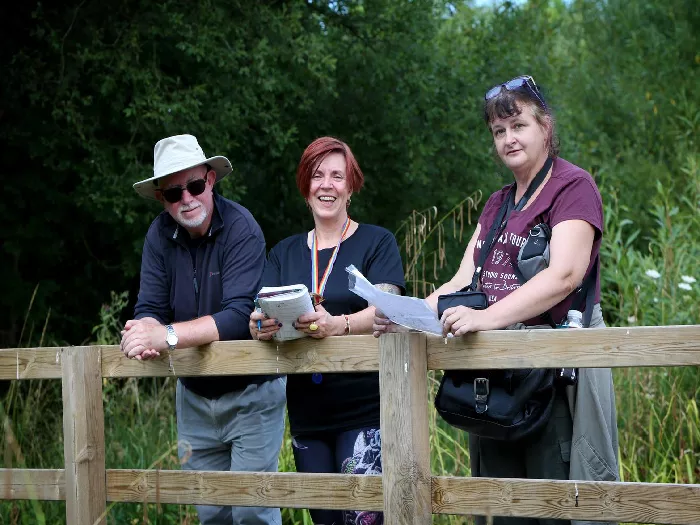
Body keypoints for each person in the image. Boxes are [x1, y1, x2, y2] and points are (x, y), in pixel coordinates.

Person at [373, 76, 619, 525]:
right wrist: (403, 314)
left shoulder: (572, 187)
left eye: (518, 125)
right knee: (501, 507)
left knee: (557, 506)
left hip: (553, 378)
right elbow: (463, 279)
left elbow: (563, 276)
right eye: (498, 131)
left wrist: (484, 318)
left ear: (545, 126)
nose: (508, 139)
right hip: (496, 381)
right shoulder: (497, 203)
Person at [121, 134, 286, 525]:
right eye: (175, 193)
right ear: (162, 198)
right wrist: (140, 333)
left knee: (252, 511)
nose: (187, 199)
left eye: (195, 186)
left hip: (251, 391)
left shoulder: (242, 228)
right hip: (193, 394)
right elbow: (150, 308)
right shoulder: (158, 235)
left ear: (211, 180)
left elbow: (237, 317)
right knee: (210, 511)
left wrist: (167, 336)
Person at [250, 136, 405, 525]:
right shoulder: (284, 252)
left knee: (363, 520)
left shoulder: (376, 241)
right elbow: (259, 309)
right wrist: (259, 325)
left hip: (364, 407)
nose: (327, 185)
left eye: (337, 176)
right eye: (317, 176)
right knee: (324, 519)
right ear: (306, 187)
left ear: (350, 187)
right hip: (307, 411)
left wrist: (342, 325)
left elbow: (389, 309)